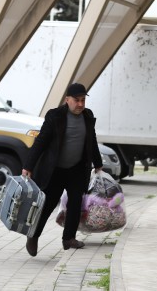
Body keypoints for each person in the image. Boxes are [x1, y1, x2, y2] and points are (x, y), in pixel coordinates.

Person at [22, 83, 104, 256]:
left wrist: (98, 163)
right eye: (77, 100)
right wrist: (28, 165)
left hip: (76, 169)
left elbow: (92, 140)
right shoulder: (55, 116)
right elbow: (41, 141)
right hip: (55, 170)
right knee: (48, 205)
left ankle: (69, 238)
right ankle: (33, 236)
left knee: (75, 204)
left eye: (83, 100)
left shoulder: (88, 116)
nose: (81, 104)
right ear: (67, 100)